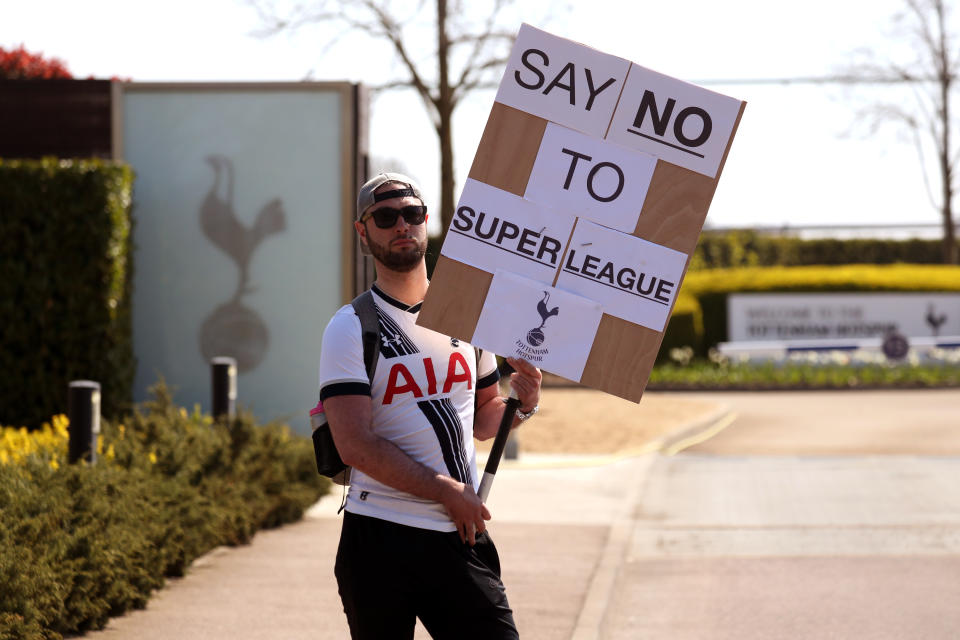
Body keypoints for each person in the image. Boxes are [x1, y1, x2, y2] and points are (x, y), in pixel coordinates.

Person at [317, 172, 542, 640]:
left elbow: (484, 419)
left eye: (412, 214)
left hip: (459, 535)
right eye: (385, 216)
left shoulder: (468, 314)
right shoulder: (349, 327)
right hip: (377, 538)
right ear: (364, 232)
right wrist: (446, 491)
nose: (402, 225)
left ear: (426, 221)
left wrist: (524, 405)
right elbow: (355, 444)